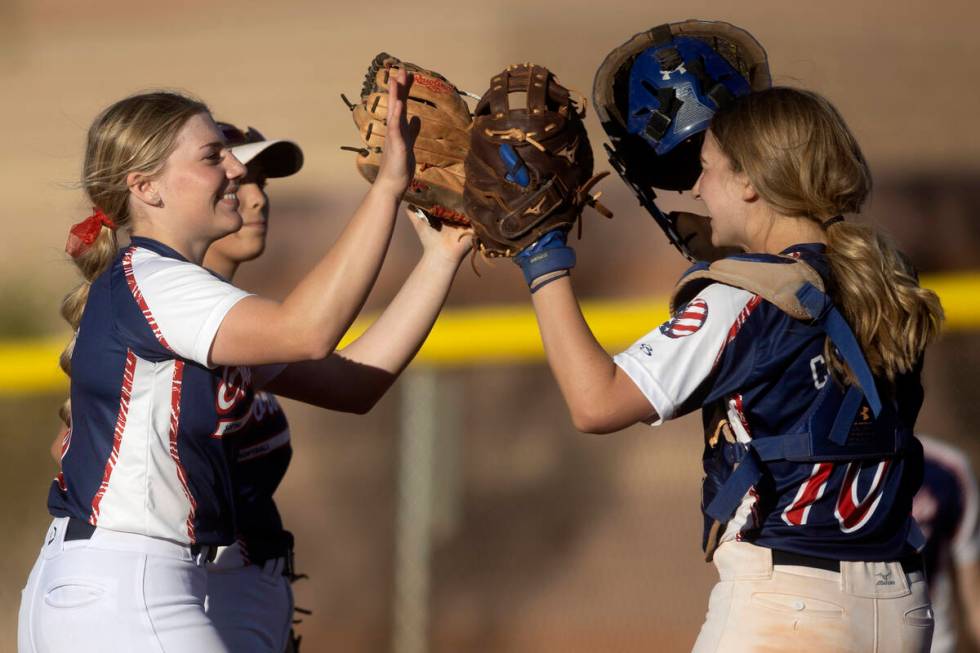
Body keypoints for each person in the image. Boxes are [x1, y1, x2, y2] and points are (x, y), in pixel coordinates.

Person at [18, 72, 464, 653]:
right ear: (146, 188)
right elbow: (307, 331)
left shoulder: (174, 294)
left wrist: (442, 255)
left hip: (136, 584)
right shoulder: (152, 282)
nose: (237, 172)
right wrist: (385, 189)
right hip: (124, 587)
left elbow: (352, 384)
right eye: (213, 156)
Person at [514, 86, 944, 651]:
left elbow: (595, 402)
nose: (696, 186)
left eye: (707, 167)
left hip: (791, 610)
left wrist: (540, 255)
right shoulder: (886, 279)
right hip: (902, 607)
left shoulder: (740, 300)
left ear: (750, 183)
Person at [913, 436, 980, 653]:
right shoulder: (825, 463)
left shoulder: (947, 469)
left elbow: (974, 594)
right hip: (847, 636)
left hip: (932, 640)